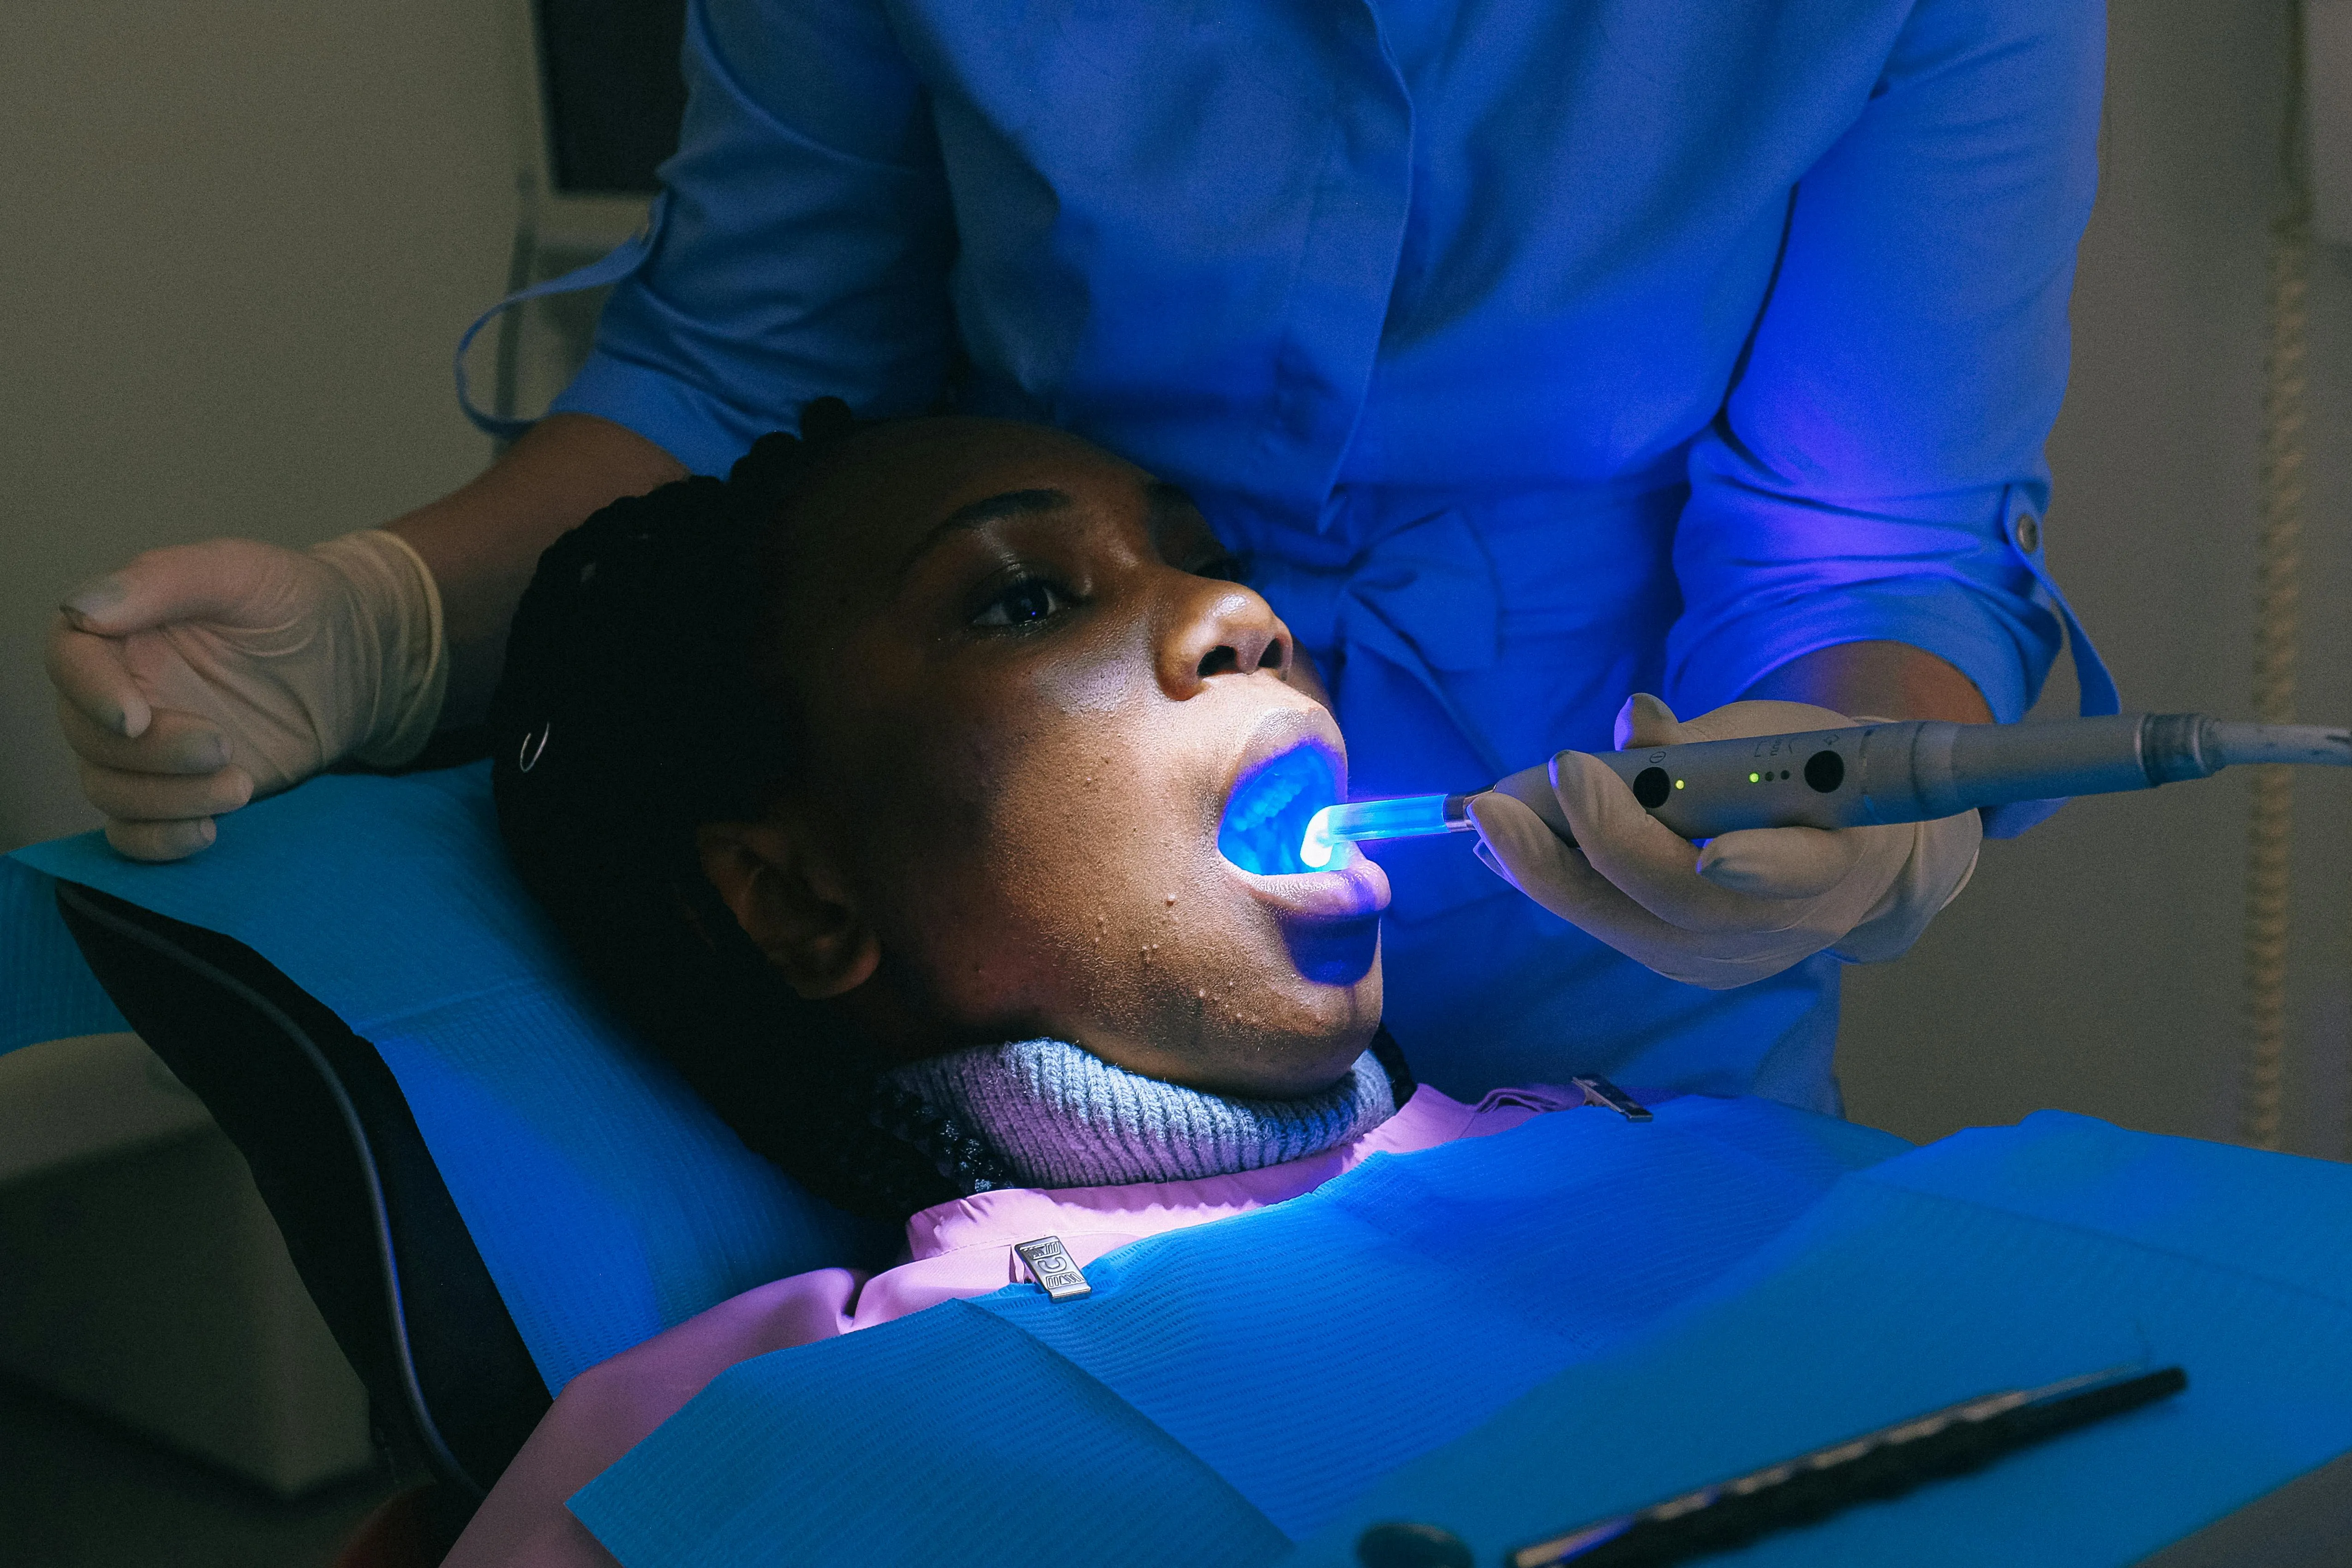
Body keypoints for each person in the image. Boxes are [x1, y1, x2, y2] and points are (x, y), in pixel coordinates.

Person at [45, 0, 2105, 1112]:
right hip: (1009, 975)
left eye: (1200, 579)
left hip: (1627, 998)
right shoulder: (854, 1353)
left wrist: (1840, 776)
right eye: (1052, 590)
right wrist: (397, 623)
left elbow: (1883, 542)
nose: (1247, 627)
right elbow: (736, 379)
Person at [414, 406, 1901, 1568]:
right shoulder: (757, 1435)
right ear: (806, 898)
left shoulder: (1647, 1156)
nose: (1238, 610)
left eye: (1198, 553)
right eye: (1023, 601)